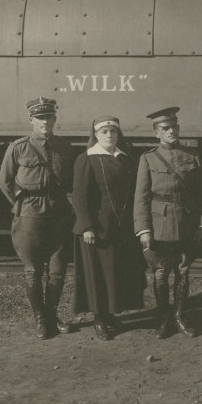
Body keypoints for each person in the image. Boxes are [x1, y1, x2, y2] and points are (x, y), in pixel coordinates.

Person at [0, 97, 76, 339]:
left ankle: (52, 315)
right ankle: (40, 319)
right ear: (31, 120)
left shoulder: (65, 147)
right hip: (30, 213)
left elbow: (72, 182)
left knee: (58, 269)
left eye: (49, 117)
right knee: (32, 269)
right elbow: (5, 182)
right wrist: (20, 205)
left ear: (55, 119)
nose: (45, 121)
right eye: (40, 118)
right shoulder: (18, 147)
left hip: (59, 212)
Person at [134, 106, 202, 338]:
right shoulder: (147, 158)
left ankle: (179, 316)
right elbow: (141, 197)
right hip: (159, 224)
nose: (171, 132)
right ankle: (164, 318)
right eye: (165, 128)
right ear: (156, 132)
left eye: (174, 127)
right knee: (160, 273)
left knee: (183, 271)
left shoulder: (192, 156)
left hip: (186, 221)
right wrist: (143, 229)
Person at [70, 117, 147, 340]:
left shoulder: (125, 159)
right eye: (104, 131)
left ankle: (112, 314)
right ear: (96, 134)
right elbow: (80, 197)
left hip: (120, 228)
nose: (109, 135)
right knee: (97, 276)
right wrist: (87, 227)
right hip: (97, 229)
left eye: (113, 131)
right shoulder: (86, 159)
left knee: (115, 273)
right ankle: (99, 318)